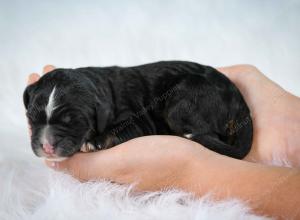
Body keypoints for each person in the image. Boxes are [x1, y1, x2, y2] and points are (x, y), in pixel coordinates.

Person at [27, 64, 300, 219]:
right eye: (37, 119)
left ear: (100, 112)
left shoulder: (114, 106)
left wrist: (190, 168)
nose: (46, 141)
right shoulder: (98, 97)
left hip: (200, 90)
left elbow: (134, 126)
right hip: (205, 100)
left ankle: (199, 135)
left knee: (178, 108)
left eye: (69, 121)